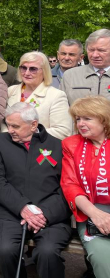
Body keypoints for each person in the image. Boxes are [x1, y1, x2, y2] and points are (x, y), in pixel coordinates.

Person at [0, 102, 72, 278]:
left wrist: (45, 213)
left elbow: (67, 187)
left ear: (33, 125)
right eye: (8, 124)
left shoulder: (58, 146)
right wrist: (23, 207)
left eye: (15, 126)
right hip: (11, 210)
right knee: (5, 250)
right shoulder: (0, 142)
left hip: (49, 213)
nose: (10, 130)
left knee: (47, 253)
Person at [61, 96, 110, 278]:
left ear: (104, 120)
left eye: (87, 118)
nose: (81, 123)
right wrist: (96, 214)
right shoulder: (71, 144)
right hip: (90, 214)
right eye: (78, 119)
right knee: (102, 258)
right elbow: (70, 185)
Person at [1, 51, 72, 140]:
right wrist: (8, 135)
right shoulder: (10, 91)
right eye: (23, 68)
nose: (26, 73)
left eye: (33, 69)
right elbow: (1, 121)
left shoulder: (56, 95)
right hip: (10, 146)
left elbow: (63, 131)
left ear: (44, 71)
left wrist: (26, 135)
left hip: (39, 148)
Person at [62, 29, 110, 105]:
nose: (94, 55)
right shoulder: (70, 76)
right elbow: (61, 109)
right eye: (91, 50)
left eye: (101, 50)